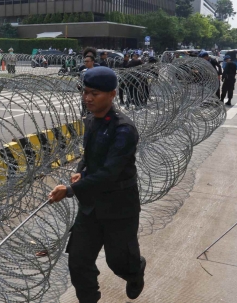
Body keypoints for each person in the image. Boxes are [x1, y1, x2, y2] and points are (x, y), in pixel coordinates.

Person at [49, 66, 146, 303]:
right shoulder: (92, 122)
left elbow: (109, 173)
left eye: (95, 93)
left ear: (112, 94)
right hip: (91, 206)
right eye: (86, 92)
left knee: (118, 262)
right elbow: (91, 157)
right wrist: (80, 171)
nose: (88, 98)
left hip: (119, 207)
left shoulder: (124, 129)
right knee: (78, 262)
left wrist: (70, 190)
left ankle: (135, 272)